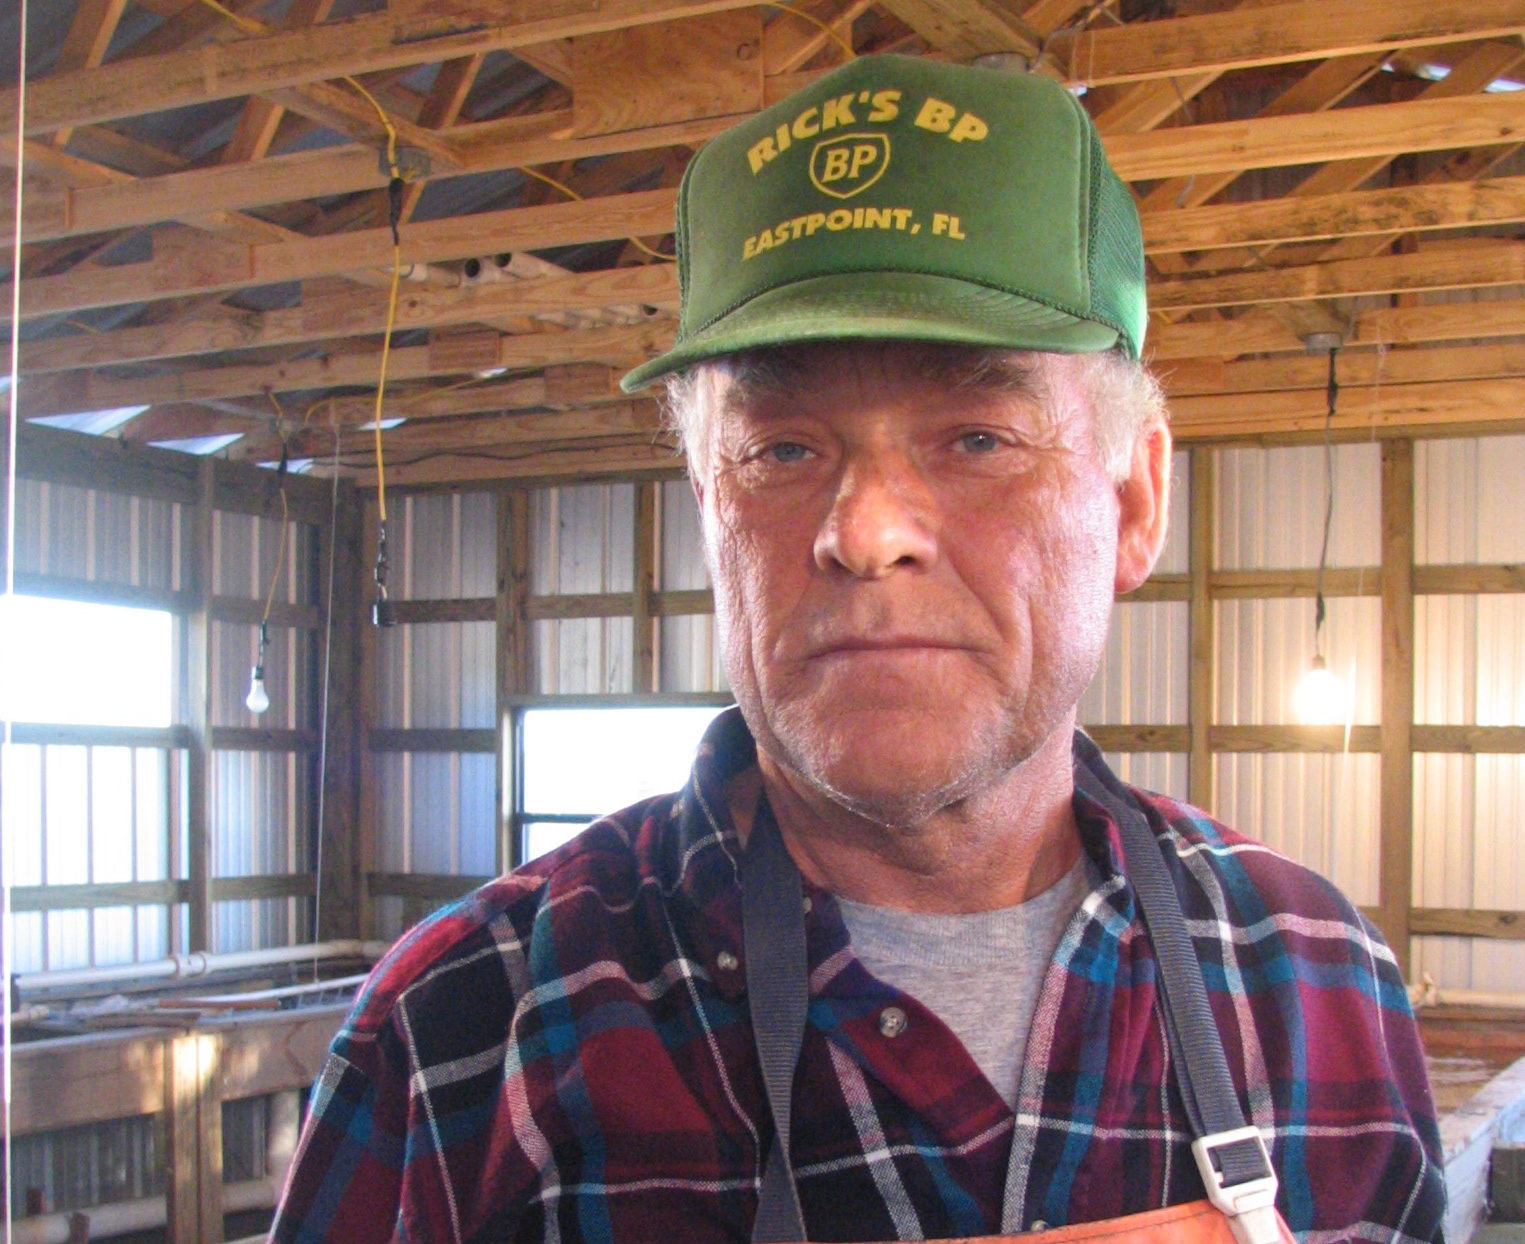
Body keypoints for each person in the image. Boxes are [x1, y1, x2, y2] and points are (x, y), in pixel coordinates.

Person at [273, 55, 1445, 1244]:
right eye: (781, 449)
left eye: (978, 436)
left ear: (1134, 502)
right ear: (708, 506)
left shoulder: (1311, 979)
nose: (865, 530)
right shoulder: (463, 1033)